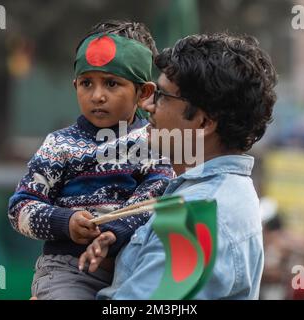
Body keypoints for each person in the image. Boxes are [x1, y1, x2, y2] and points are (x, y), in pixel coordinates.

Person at [80, 32, 278, 299]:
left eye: (161, 95)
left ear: (204, 123)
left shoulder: (198, 216)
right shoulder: (212, 195)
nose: (147, 104)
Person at [8, 20, 174, 300]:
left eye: (112, 83)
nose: (97, 95)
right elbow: (20, 208)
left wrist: (115, 230)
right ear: (75, 86)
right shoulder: (58, 145)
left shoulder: (155, 141)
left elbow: (158, 197)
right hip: (69, 271)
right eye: (87, 83)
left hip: (137, 269)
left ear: (144, 93)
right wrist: (66, 222)